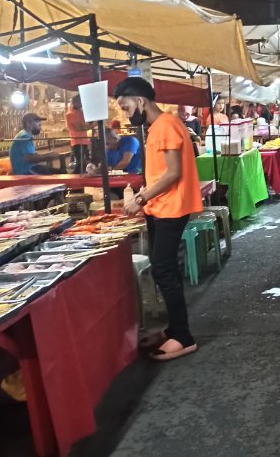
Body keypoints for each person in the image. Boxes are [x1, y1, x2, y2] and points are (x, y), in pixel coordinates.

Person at [115, 77, 203, 361]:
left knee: (164, 268)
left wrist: (140, 198)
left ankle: (183, 336)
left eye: (125, 107)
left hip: (171, 208)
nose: (126, 114)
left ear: (140, 100)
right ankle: (175, 329)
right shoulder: (159, 126)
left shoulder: (165, 125)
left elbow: (173, 172)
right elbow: (160, 173)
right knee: (164, 268)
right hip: (161, 206)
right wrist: (143, 194)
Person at [66, 95, 94, 173]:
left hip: (84, 140)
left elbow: (87, 123)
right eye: (80, 102)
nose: (82, 104)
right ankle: (73, 178)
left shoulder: (80, 112)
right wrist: (94, 125)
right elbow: (80, 128)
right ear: (75, 102)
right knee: (80, 163)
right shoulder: (71, 114)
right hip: (77, 141)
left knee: (83, 162)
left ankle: (77, 178)